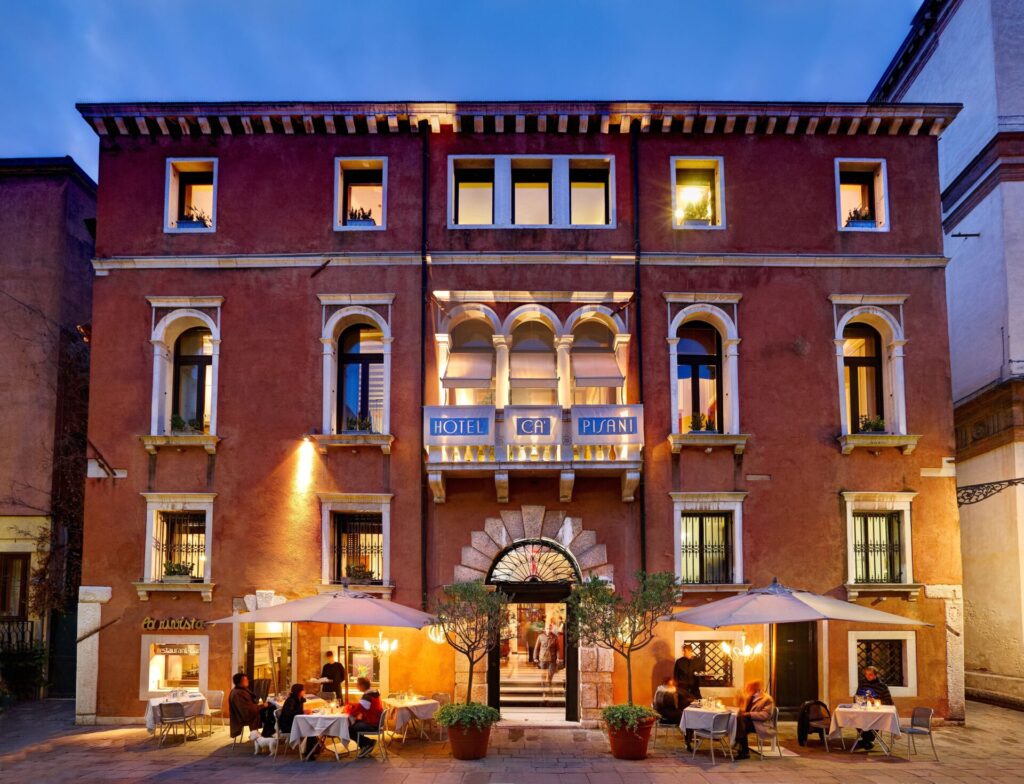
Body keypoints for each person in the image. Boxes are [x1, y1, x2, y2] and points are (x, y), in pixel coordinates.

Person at [734, 679, 775, 760]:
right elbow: (741, 708)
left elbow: (765, 715)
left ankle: (742, 748)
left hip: (760, 724)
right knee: (737, 722)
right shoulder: (749, 697)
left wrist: (749, 714)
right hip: (748, 722)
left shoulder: (767, 699)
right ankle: (741, 747)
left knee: (740, 724)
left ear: (756, 688)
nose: (747, 688)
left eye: (749, 687)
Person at [854, 665, 894, 750]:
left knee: (874, 721)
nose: (868, 676)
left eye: (870, 674)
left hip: (876, 714)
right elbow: (856, 697)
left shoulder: (882, 686)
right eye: (866, 674)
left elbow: (888, 702)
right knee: (855, 718)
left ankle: (866, 740)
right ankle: (868, 741)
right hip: (863, 711)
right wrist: (859, 699)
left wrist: (875, 701)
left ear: (876, 675)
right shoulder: (862, 684)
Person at [673, 644, 703, 749]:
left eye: (685, 651)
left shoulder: (698, 661)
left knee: (699, 711)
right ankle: (687, 740)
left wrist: (701, 676)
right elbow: (675, 677)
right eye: (683, 651)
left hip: (695, 691)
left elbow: (702, 674)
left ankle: (697, 734)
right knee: (686, 715)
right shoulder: (679, 662)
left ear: (690, 651)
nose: (683, 653)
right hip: (683, 692)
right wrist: (677, 691)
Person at [345, 677, 384, 758]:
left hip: (372, 724)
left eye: (357, 685)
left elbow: (356, 710)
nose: (356, 686)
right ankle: (365, 746)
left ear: (362, 686)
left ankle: (368, 743)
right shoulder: (373, 693)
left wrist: (347, 709)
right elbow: (361, 706)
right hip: (376, 721)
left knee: (348, 729)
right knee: (353, 724)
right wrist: (352, 705)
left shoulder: (367, 697)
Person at [278, 683, 318, 758]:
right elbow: (289, 713)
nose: (305, 691)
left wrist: (305, 711)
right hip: (288, 725)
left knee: (313, 727)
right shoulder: (291, 700)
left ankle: (312, 750)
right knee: (311, 729)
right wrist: (303, 712)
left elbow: (298, 712)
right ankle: (309, 753)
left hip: (295, 722)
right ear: (299, 691)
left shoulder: (300, 699)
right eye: (303, 690)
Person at [229, 673, 263, 739]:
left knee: (269, 710)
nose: (247, 681)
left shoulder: (241, 690)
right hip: (243, 718)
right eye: (245, 680)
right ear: (239, 682)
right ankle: (264, 735)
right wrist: (262, 706)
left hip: (246, 714)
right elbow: (248, 711)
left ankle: (266, 734)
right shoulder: (238, 693)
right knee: (269, 714)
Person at [534, 625, 561, 692]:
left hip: (552, 658)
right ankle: (543, 688)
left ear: (551, 629)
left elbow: (557, 649)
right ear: (545, 629)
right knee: (543, 674)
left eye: (549, 629)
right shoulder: (540, 636)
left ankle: (549, 686)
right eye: (547, 628)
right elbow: (536, 648)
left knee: (550, 674)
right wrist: (535, 657)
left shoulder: (555, 637)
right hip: (543, 658)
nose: (548, 630)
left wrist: (558, 657)